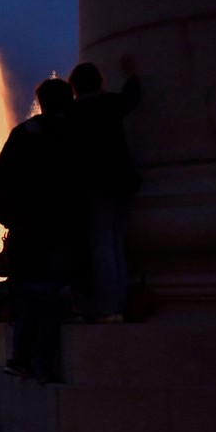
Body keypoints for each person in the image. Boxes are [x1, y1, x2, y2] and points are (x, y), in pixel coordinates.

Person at [0, 77, 81, 382]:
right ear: (69, 100)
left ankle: (20, 357)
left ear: (41, 102)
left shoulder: (23, 134)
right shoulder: (75, 133)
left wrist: (7, 214)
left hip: (26, 228)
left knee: (28, 292)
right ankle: (43, 363)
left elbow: (0, 176)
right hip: (61, 227)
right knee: (54, 292)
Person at [69, 58, 141, 322]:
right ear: (100, 82)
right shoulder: (109, 103)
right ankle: (118, 303)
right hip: (122, 183)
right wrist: (131, 74)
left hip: (95, 187)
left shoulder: (72, 113)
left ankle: (108, 307)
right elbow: (131, 97)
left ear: (74, 86)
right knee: (115, 244)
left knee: (101, 246)